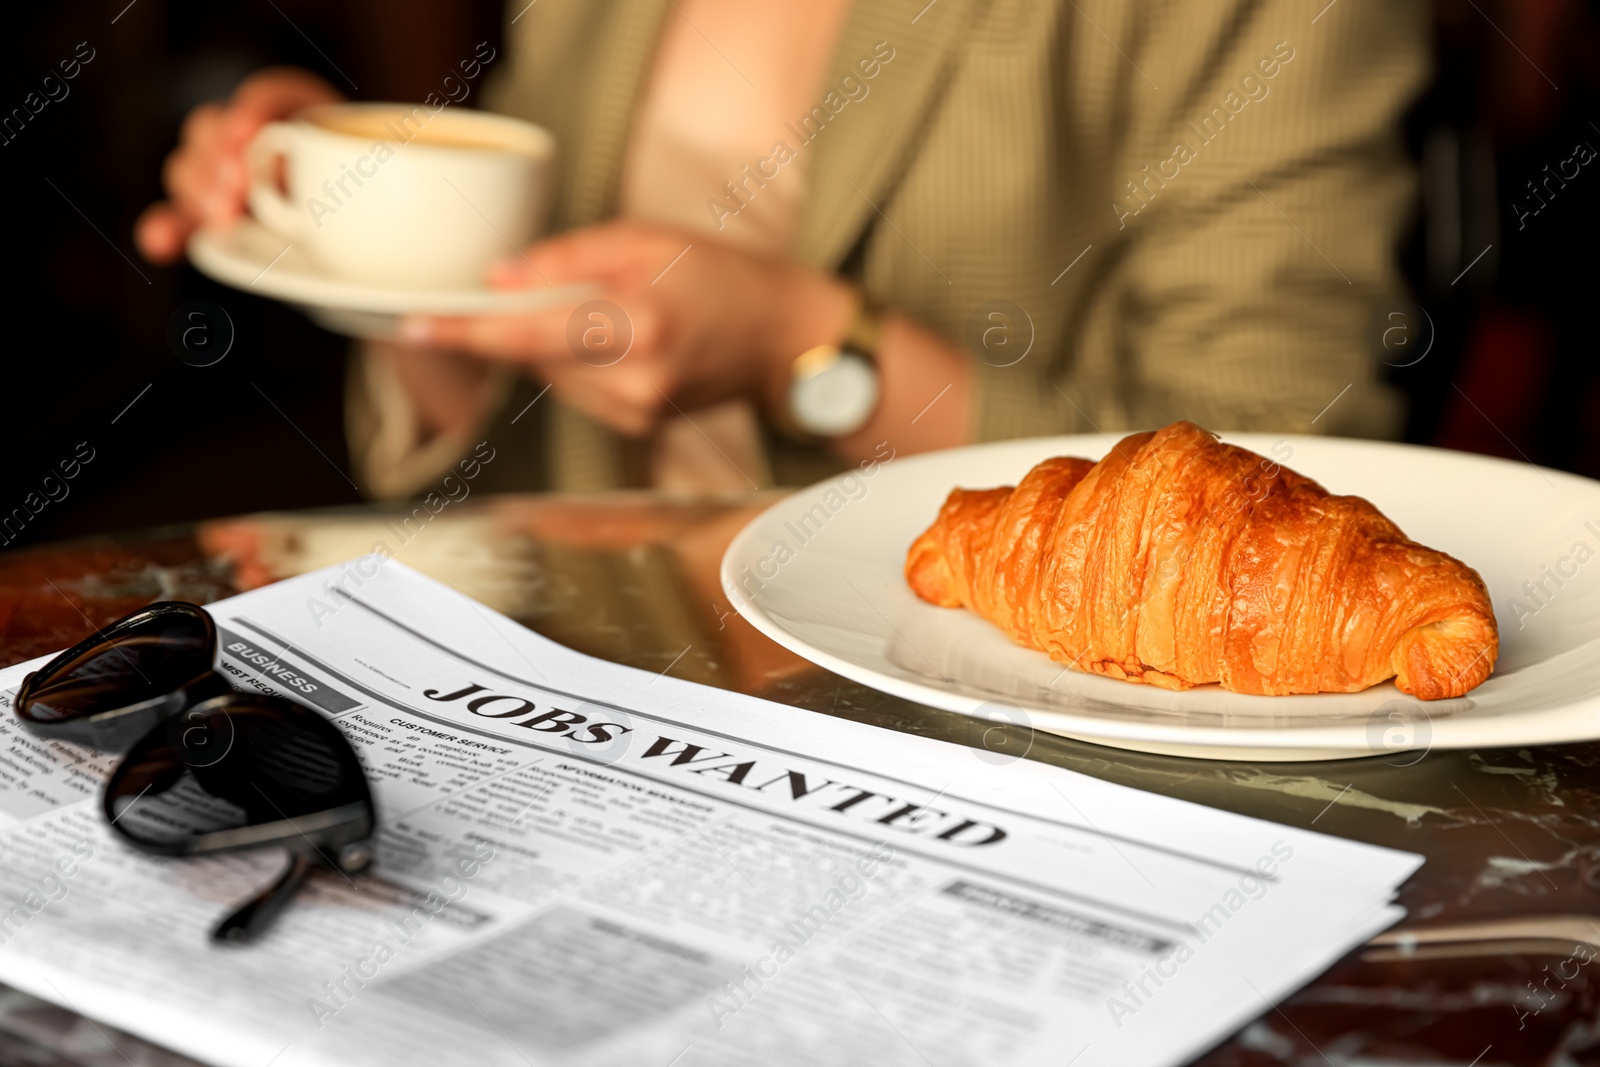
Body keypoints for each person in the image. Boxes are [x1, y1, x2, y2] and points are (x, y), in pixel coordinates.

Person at [137, 0, 1430, 497]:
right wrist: (368, 216)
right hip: (587, 690)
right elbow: (511, 445)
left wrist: (809, 353)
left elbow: (1282, 477)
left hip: (998, 753)